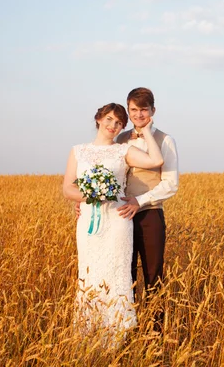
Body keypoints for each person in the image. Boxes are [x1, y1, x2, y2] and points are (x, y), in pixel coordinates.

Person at [62, 103, 163, 347]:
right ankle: (88, 332)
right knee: (90, 271)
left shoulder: (123, 150)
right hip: (89, 220)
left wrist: (147, 130)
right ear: (98, 119)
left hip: (118, 220)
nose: (112, 126)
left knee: (117, 273)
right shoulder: (78, 151)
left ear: (122, 126)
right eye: (108, 119)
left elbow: (156, 160)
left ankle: (119, 335)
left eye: (118, 123)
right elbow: (68, 188)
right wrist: (92, 196)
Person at [115, 88, 179, 306]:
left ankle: (155, 333)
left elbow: (171, 184)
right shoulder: (120, 139)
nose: (139, 115)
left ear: (153, 110)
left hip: (150, 215)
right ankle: (129, 329)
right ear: (128, 110)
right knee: (125, 276)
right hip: (121, 216)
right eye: (134, 109)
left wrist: (139, 201)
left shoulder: (165, 140)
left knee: (153, 275)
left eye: (144, 109)